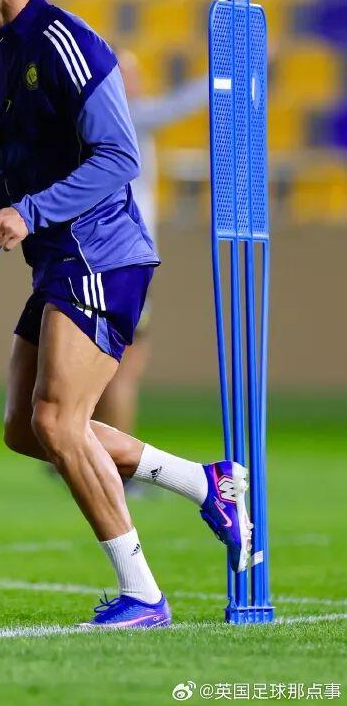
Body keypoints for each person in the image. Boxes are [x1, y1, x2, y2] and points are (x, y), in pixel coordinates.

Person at [0, 0, 251, 628]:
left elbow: (121, 156)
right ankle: (206, 484)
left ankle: (144, 594)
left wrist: (32, 211)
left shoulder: (67, 42)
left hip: (102, 253)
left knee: (57, 418)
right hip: (59, 260)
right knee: (27, 429)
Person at [93, 54, 208, 441]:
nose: (139, 82)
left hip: (106, 257)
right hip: (128, 261)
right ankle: (113, 458)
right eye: (130, 74)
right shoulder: (126, 117)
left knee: (101, 361)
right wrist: (228, 72)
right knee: (125, 366)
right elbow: (178, 105)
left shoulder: (93, 122)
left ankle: (82, 448)